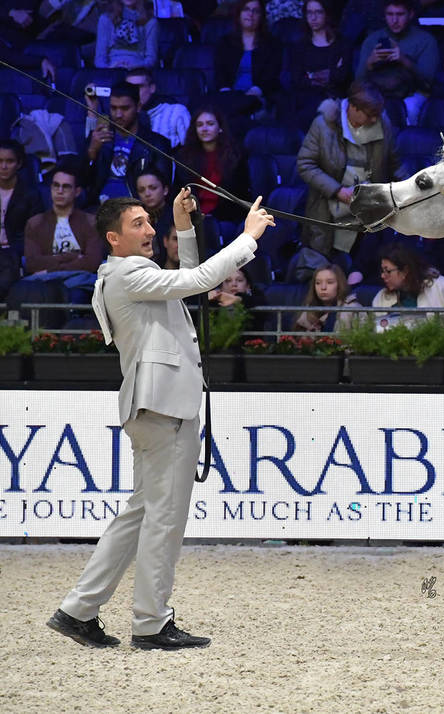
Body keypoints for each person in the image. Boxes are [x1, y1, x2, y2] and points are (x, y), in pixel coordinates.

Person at [47, 189, 274, 650]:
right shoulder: (130, 274)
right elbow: (200, 280)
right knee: (164, 521)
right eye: (139, 224)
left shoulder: (124, 273)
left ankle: (78, 610)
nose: (150, 231)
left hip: (154, 406)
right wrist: (248, 239)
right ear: (113, 237)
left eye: (151, 222)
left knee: (141, 514)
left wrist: (183, 225)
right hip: (164, 407)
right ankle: (151, 622)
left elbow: (189, 278)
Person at [296, 81, 406, 262]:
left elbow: (394, 164)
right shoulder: (323, 125)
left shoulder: (382, 122)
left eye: (376, 115)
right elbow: (305, 164)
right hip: (330, 210)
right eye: (370, 115)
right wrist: (337, 191)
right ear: (353, 108)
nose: (374, 120)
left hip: (370, 211)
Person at [85, 82, 173, 207]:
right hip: (100, 209)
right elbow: (81, 182)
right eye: (113, 108)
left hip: (138, 210)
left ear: (138, 106)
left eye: (125, 108)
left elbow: (162, 190)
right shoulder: (98, 138)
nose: (118, 114)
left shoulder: (157, 143)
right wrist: (91, 152)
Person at [355, 0, 439, 127]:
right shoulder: (372, 39)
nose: (394, 20)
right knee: (348, 104)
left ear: (410, 14)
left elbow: (428, 84)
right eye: (390, 14)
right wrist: (369, 63)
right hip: (380, 90)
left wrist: (404, 61)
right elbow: (358, 81)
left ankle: (407, 144)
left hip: (412, 94)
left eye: (400, 15)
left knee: (409, 109)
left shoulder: (425, 40)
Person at [372, 243, 444, 335]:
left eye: (388, 271)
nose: (383, 276)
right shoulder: (382, 297)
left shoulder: (441, 285)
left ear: (405, 271)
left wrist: (442, 337)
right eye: (382, 271)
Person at [176, 105, 249, 230]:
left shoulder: (236, 156)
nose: (204, 129)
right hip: (193, 216)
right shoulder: (184, 157)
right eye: (199, 125)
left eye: (210, 124)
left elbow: (239, 194)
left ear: (220, 128)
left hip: (227, 217)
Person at [24, 166, 103, 276]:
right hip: (47, 283)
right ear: (51, 188)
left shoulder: (91, 222)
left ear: (77, 192)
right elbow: (32, 264)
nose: (60, 191)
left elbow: (92, 263)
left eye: (66, 187)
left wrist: (50, 270)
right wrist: (73, 256)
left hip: (78, 281)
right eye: (56, 186)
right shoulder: (35, 223)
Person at [286, 0, 351, 125]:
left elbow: (343, 76)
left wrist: (311, 75)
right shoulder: (300, 46)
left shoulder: (343, 44)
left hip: (334, 98)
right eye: (309, 13)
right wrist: (330, 73)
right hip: (306, 99)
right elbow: (297, 79)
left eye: (318, 12)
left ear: (327, 14)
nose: (313, 18)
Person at [213, 0, 283, 108]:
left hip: (258, 97)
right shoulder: (225, 43)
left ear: (261, 16)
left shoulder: (272, 44)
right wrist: (226, 93)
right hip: (229, 96)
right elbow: (220, 74)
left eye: (256, 11)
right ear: (239, 14)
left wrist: (256, 91)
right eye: (246, 9)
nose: (250, 14)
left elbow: (271, 77)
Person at [0, 139, 45, 299]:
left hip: (15, 252)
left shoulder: (30, 194)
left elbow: (35, 233)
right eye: (0, 161)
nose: (3, 167)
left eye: (9, 161)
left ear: (18, 164)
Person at [125, 67, 191, 150]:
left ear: (152, 88)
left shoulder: (176, 112)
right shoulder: (121, 116)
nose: (134, 92)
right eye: (129, 88)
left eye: (139, 87)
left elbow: (191, 150)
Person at [294, 263, 360, 331]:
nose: (323, 287)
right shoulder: (309, 308)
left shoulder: (353, 309)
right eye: (318, 283)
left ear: (339, 285)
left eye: (330, 282)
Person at [94, 0, 159, 69]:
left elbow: (151, 59)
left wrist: (135, 68)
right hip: (111, 70)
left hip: (139, 72)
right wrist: (110, 69)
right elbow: (100, 58)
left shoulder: (150, 22)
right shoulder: (106, 19)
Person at [136, 170, 173, 246]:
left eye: (153, 188)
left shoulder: (177, 216)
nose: (147, 194)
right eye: (141, 190)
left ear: (165, 190)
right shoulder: (135, 220)